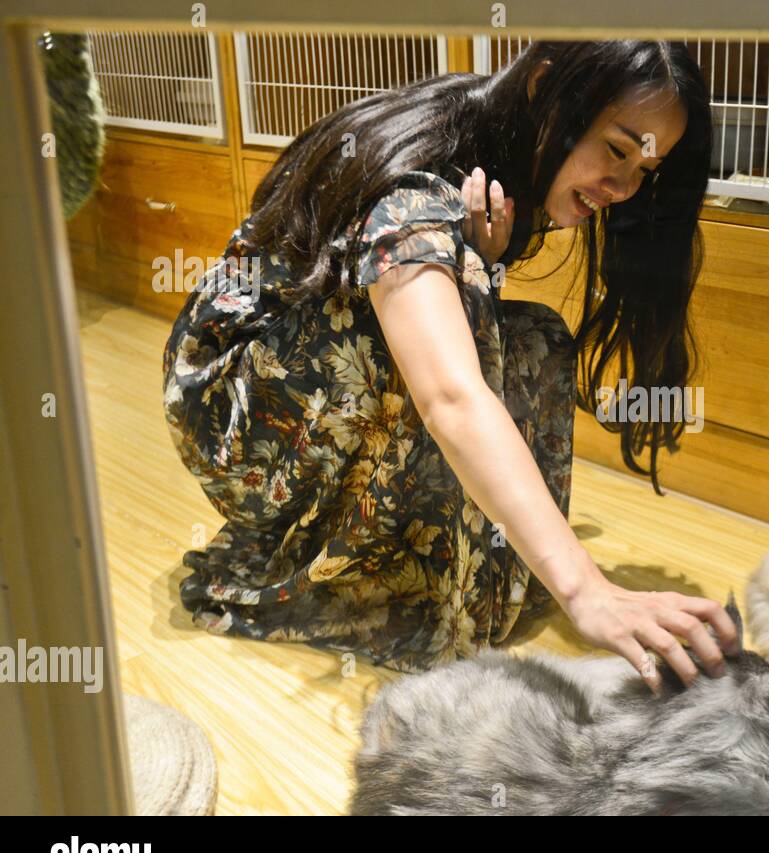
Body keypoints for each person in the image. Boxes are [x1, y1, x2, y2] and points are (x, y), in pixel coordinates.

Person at [161, 40, 739, 693]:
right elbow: (451, 399)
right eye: (616, 149)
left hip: (298, 374)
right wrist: (586, 591)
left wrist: (482, 268)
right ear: (546, 90)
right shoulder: (420, 185)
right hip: (228, 409)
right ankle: (355, 581)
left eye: (644, 168)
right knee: (434, 336)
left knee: (536, 337)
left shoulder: (501, 159)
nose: (624, 186)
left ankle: (445, 571)